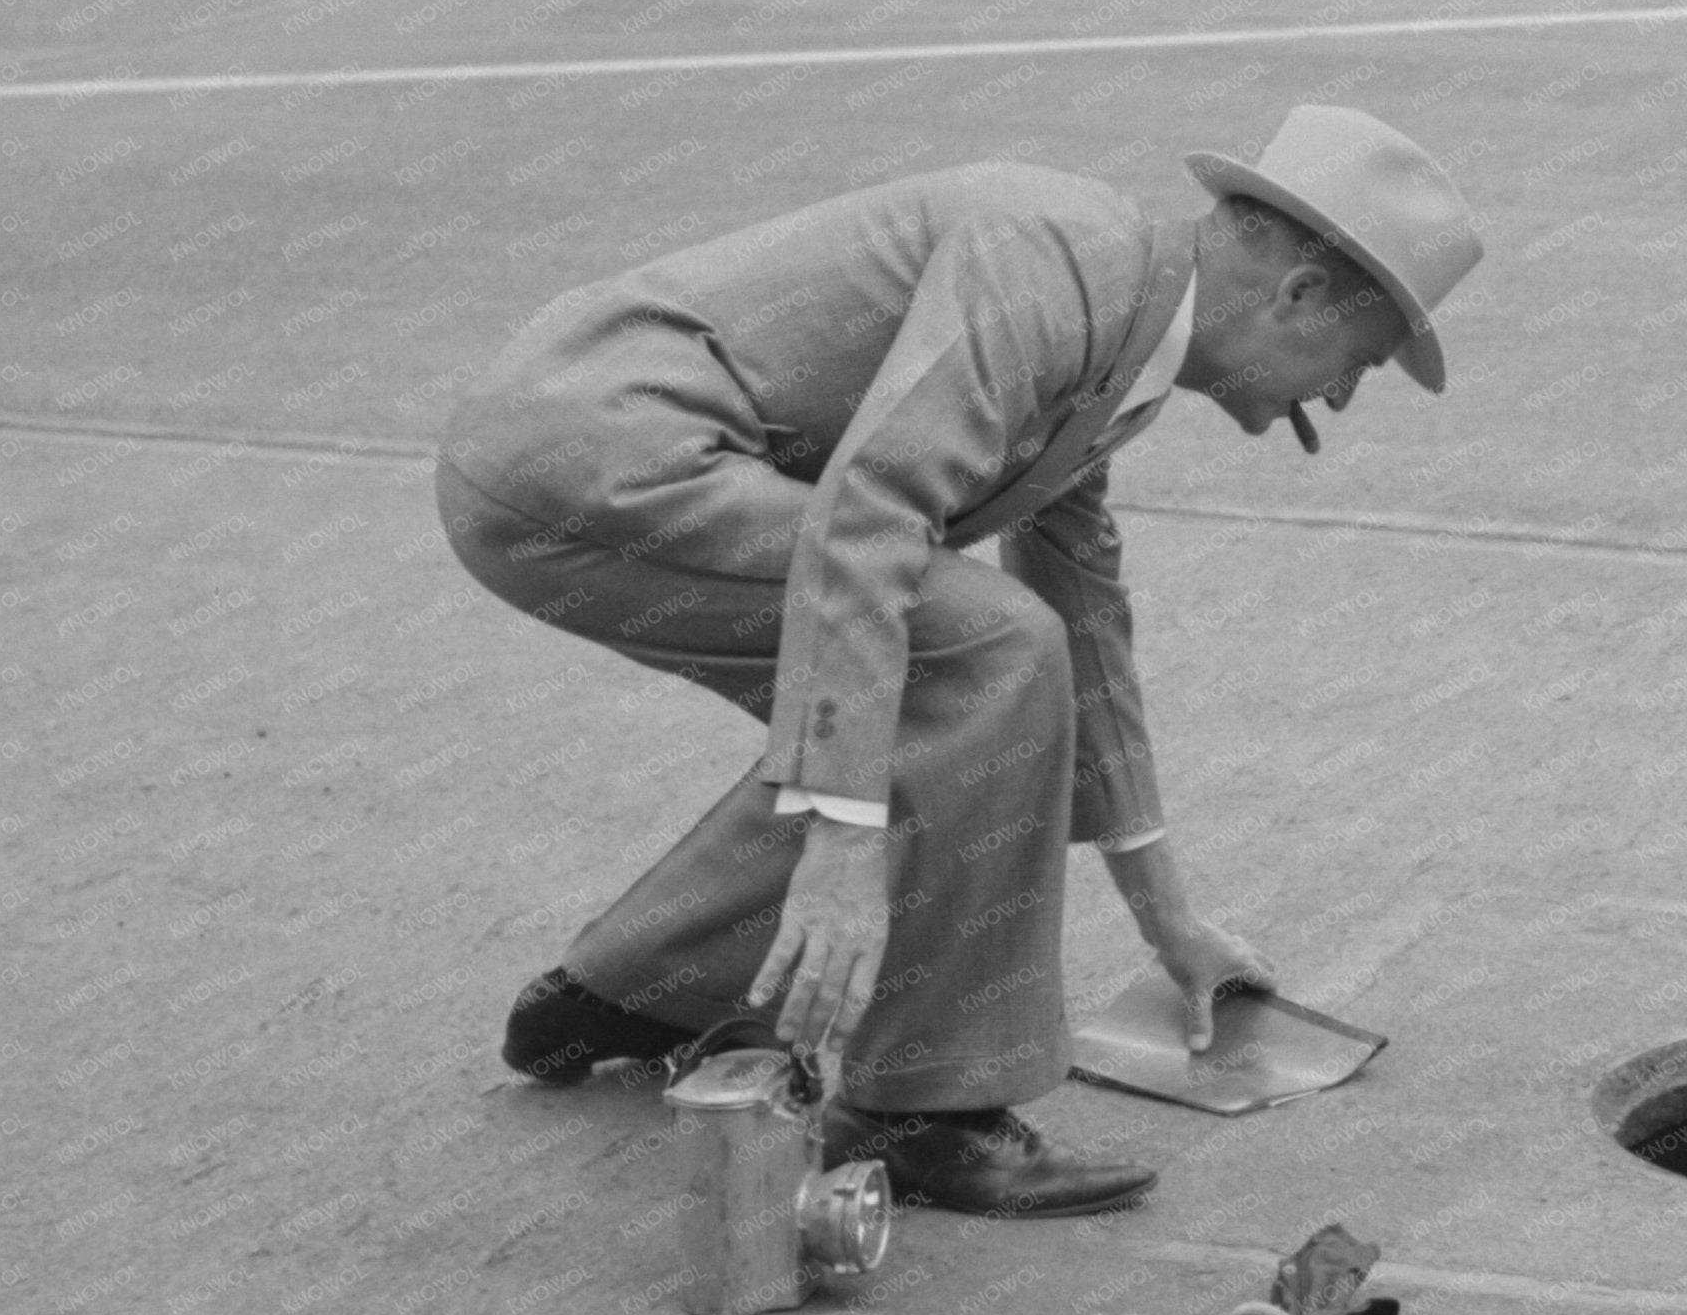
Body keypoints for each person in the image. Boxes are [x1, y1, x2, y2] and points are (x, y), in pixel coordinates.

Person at [438, 108, 1485, 1215]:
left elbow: (1084, 622)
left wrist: (1165, 912)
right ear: (1301, 295)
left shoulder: (1117, 323)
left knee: (974, 669)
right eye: (1356, 364)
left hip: (590, 467)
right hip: (591, 460)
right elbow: (871, 517)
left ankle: (631, 990)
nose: (1335, 399)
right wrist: (842, 845)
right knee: (985, 650)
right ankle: (922, 1113)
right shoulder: (1055, 264)